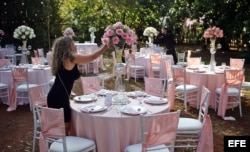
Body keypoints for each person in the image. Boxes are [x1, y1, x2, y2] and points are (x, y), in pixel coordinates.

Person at [47, 36, 108, 135]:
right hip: (60, 97)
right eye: (72, 44)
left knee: (61, 127)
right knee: (65, 128)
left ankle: (58, 146)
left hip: (56, 95)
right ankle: (62, 147)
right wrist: (105, 46)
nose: (75, 45)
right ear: (67, 47)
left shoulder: (63, 59)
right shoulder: (71, 58)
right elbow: (92, 57)